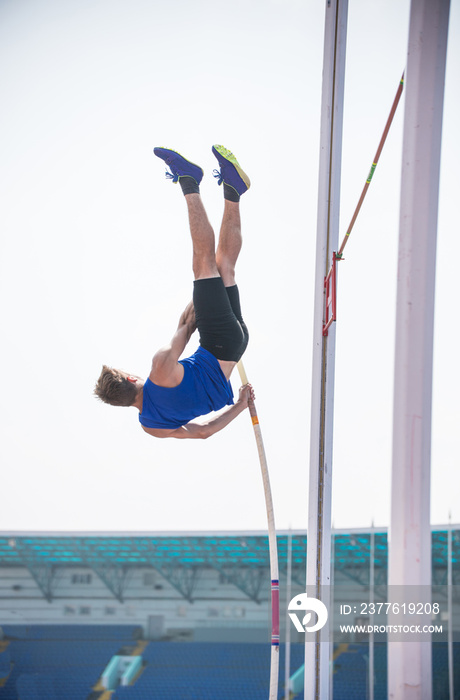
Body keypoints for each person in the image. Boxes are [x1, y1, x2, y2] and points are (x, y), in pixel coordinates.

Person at [94, 145, 254, 439]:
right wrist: (204, 292)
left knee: (225, 267)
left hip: (234, 345)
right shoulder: (160, 368)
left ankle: (234, 188)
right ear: (130, 377)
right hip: (217, 342)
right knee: (204, 265)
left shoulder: (152, 426)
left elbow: (203, 432)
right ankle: (189, 180)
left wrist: (241, 406)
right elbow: (187, 326)